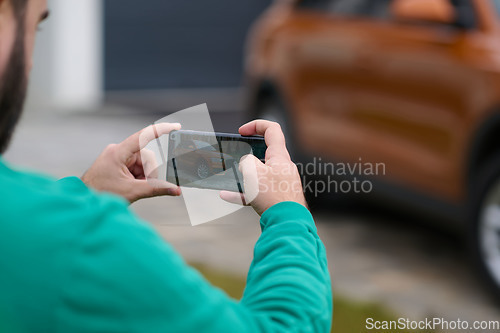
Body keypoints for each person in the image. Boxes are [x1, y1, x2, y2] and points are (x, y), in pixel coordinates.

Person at [0, 0, 333, 332]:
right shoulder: (86, 243)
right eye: (35, 28)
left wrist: (83, 193)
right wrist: (288, 213)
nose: (30, 64)